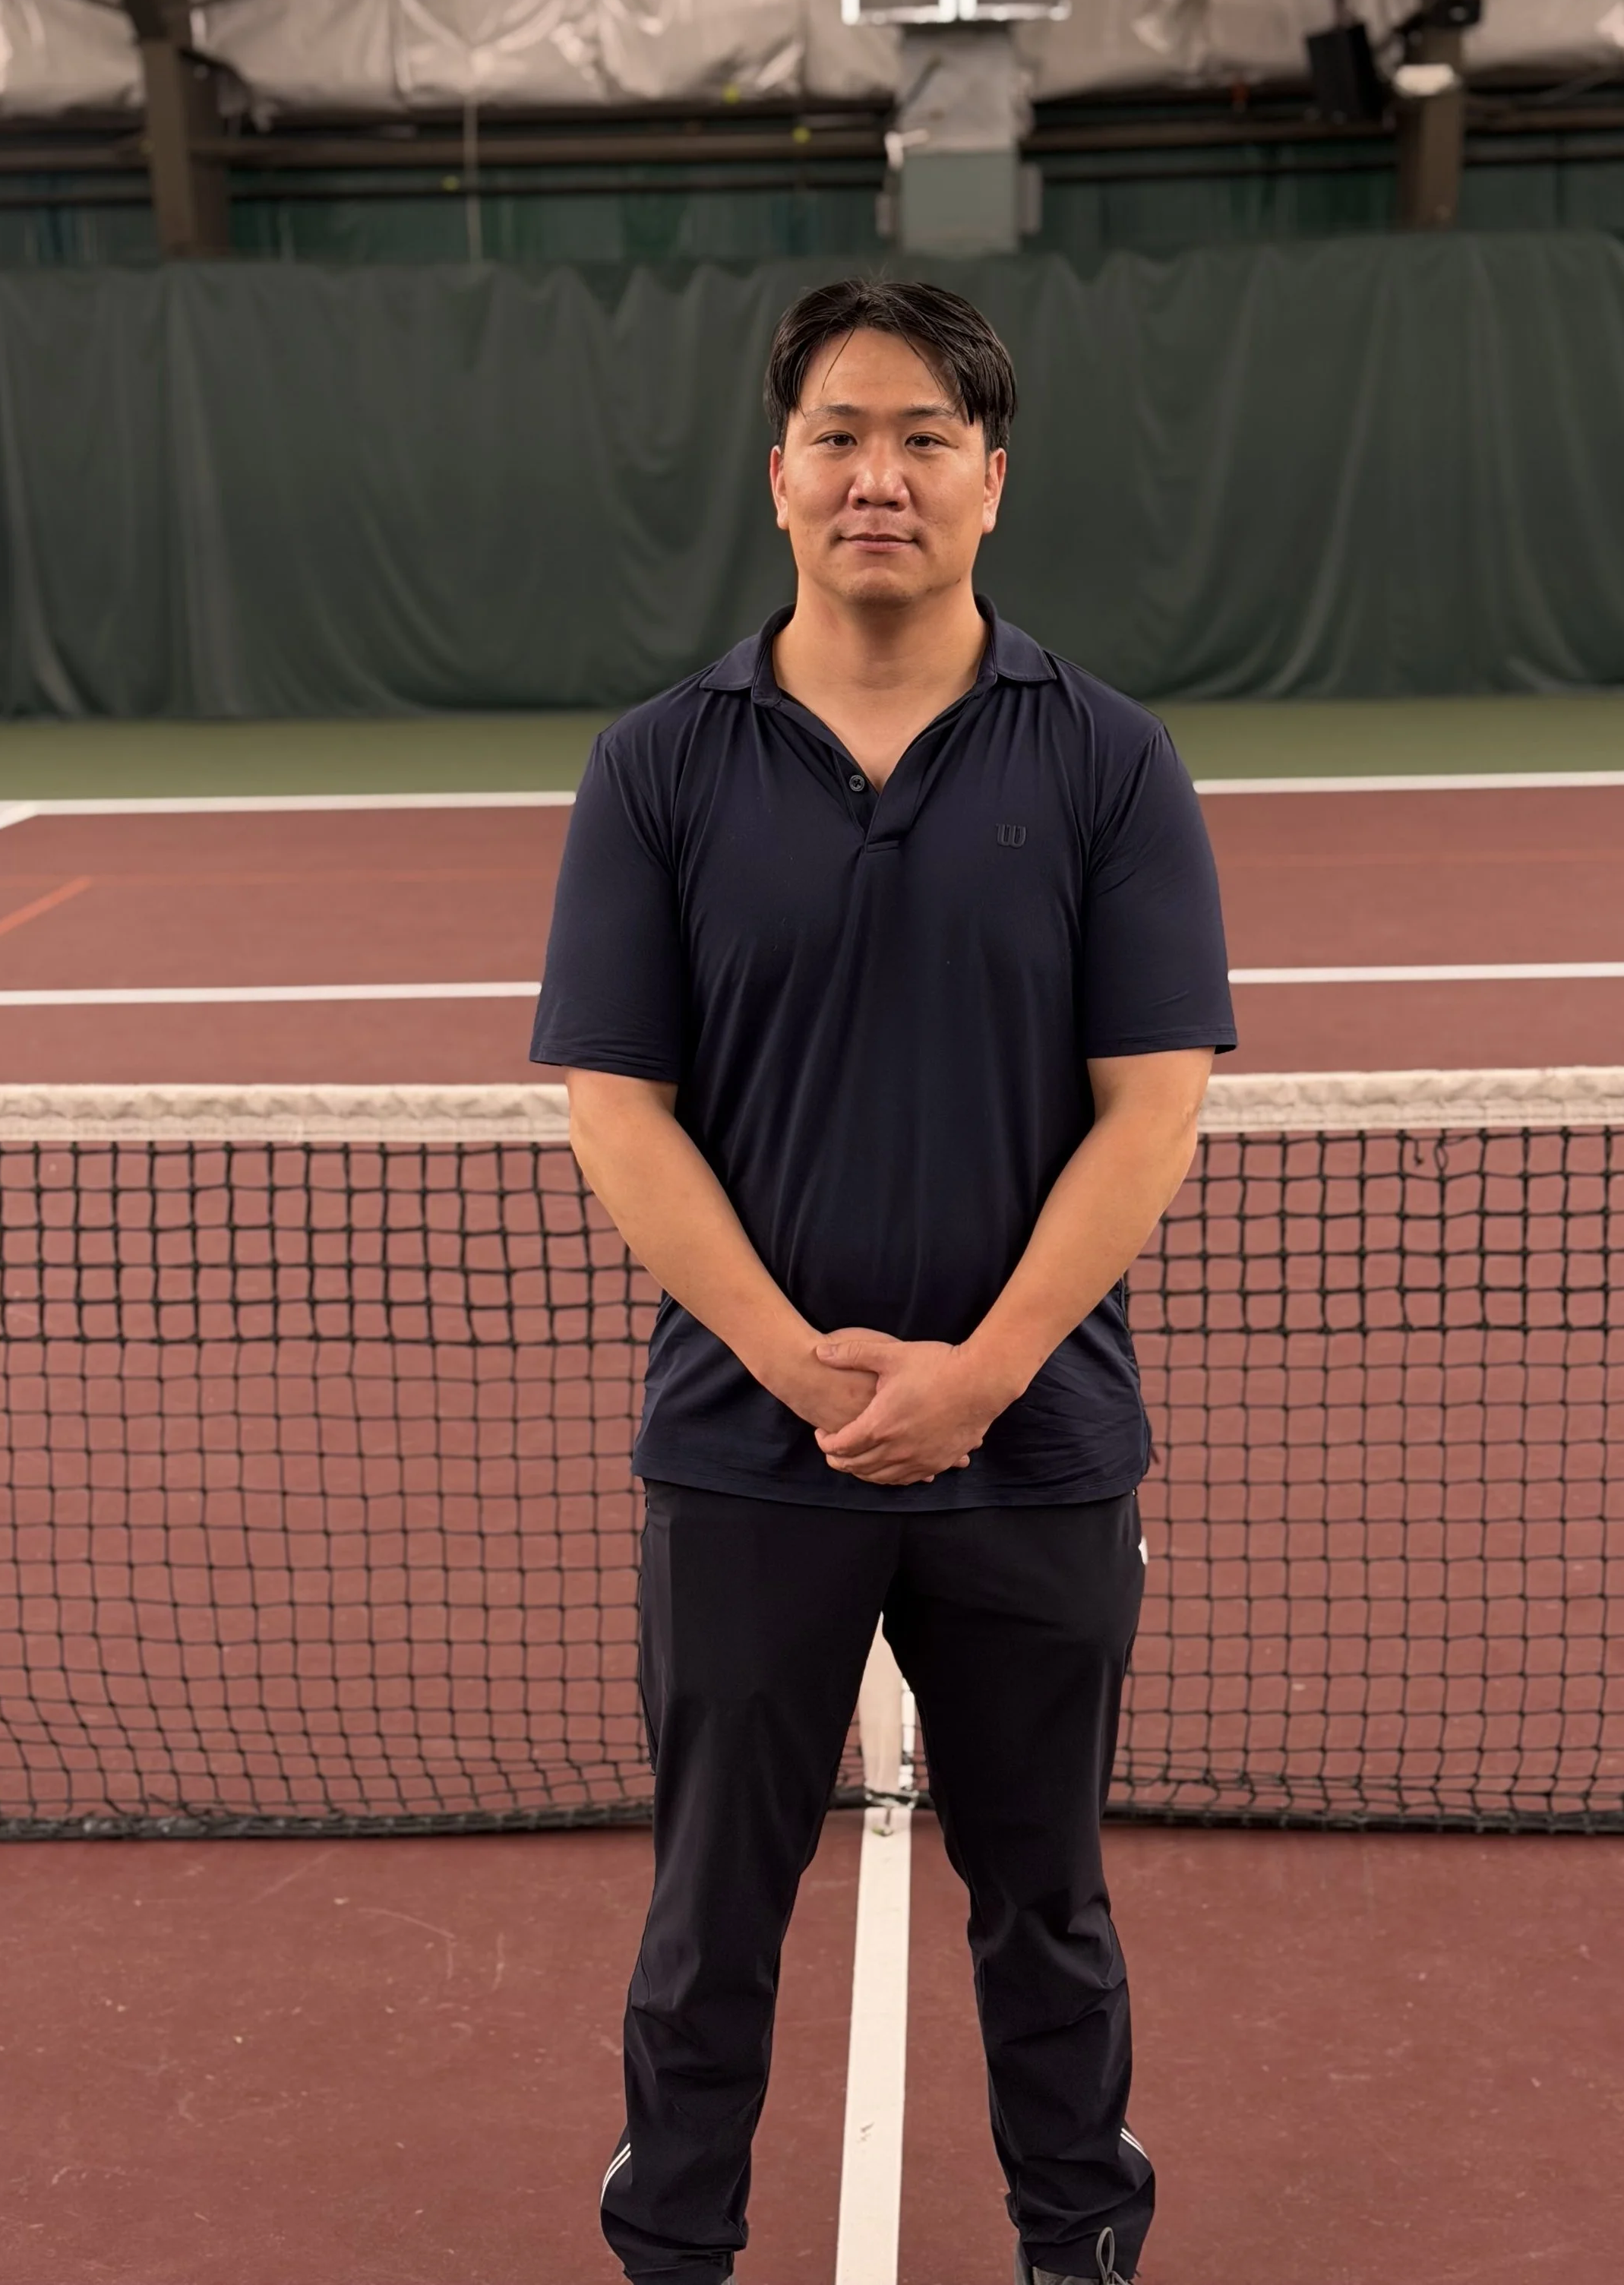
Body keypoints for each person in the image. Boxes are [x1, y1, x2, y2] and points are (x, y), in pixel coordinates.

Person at [529, 277, 1235, 2284]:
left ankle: (1074, 2243)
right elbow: (618, 1107)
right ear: (778, 478)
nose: (879, 475)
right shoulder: (656, 768)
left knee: (1045, 1902)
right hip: (745, 1462)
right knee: (706, 1914)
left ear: (989, 482)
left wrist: (983, 1374)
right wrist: (794, 1362)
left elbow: (1150, 1105)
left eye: (926, 436)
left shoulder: (1108, 761)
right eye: (840, 433)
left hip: (1041, 1456)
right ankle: (674, 2248)